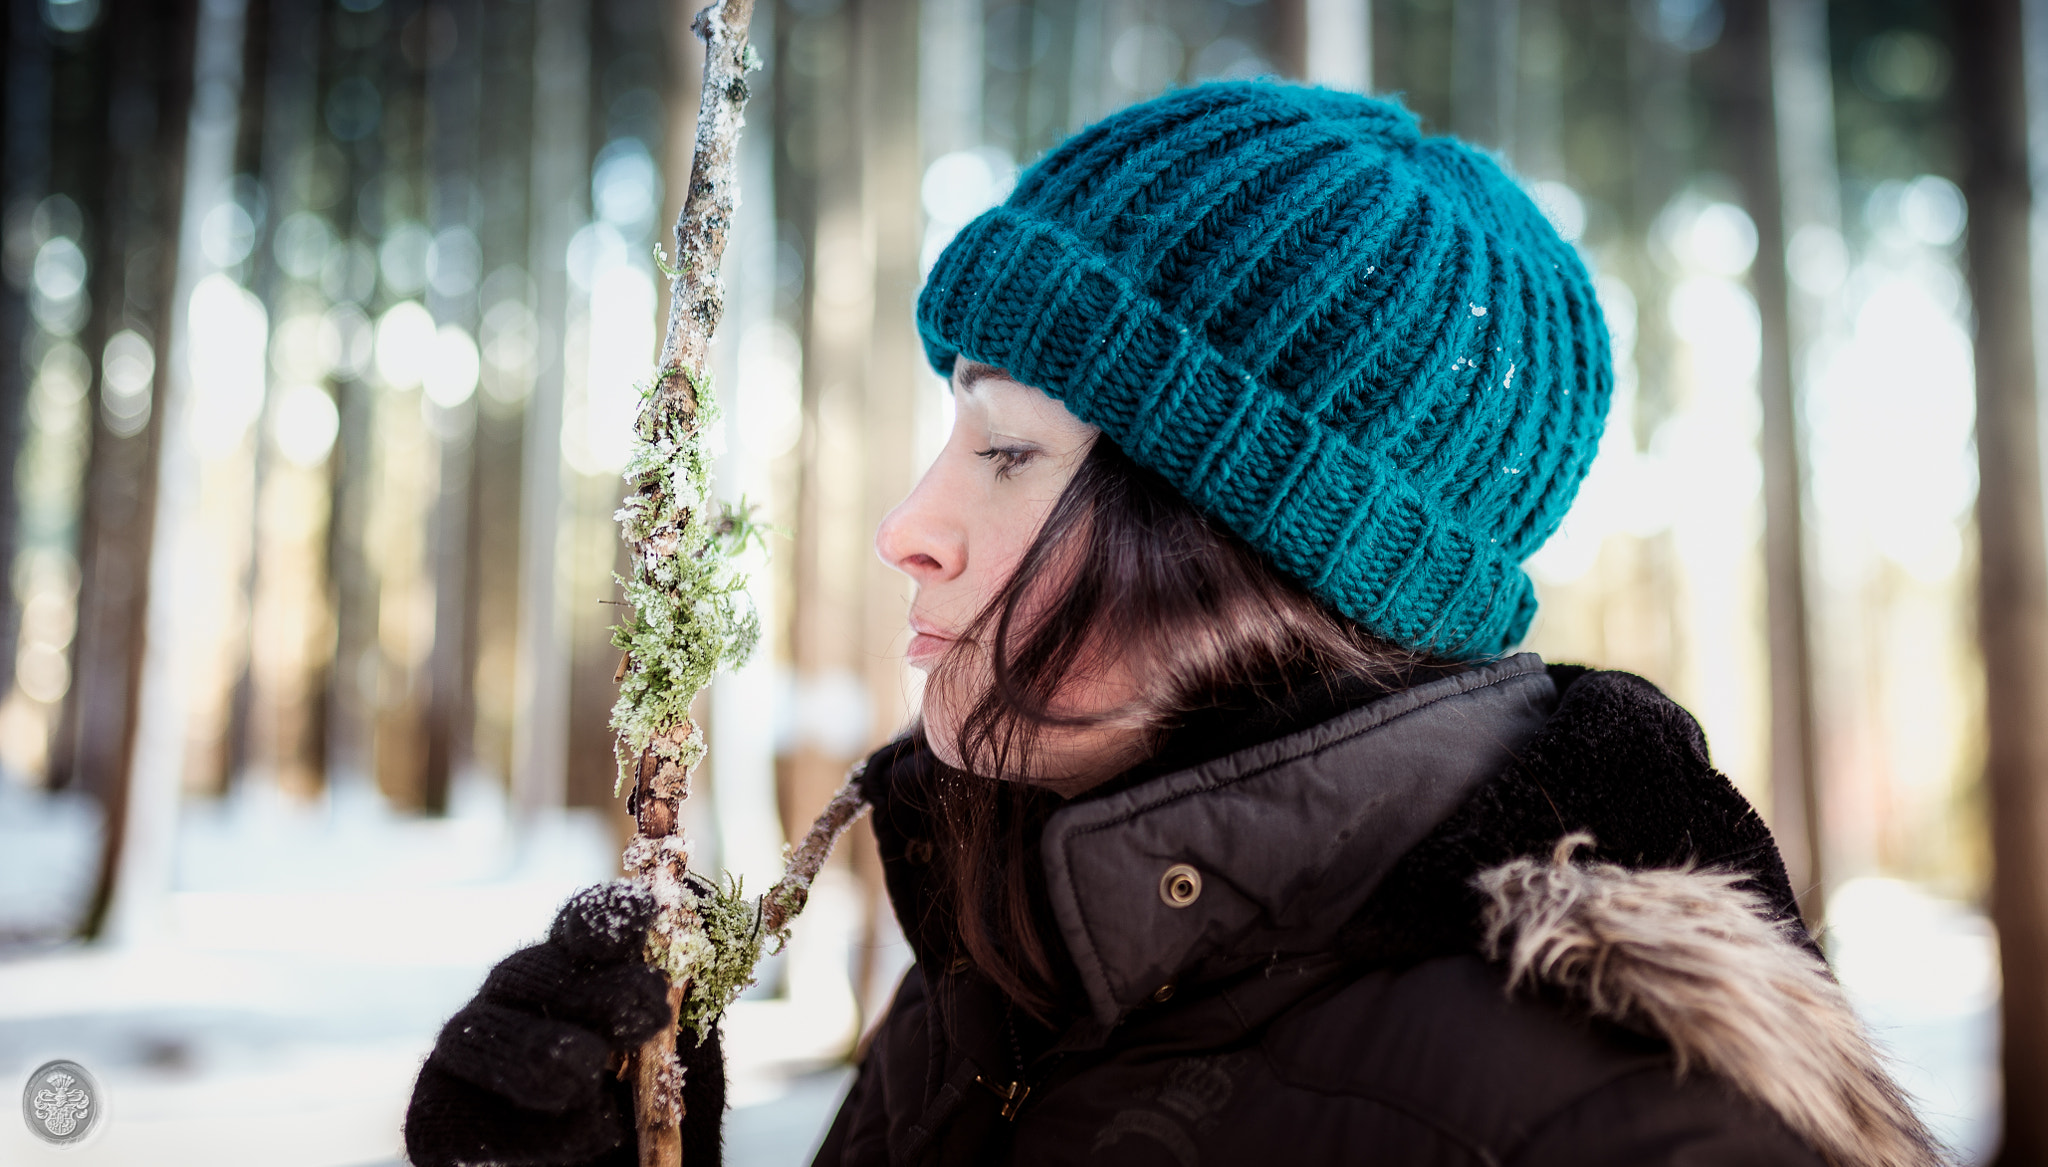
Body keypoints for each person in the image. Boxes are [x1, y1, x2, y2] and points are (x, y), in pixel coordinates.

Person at [404, 82, 1940, 1167]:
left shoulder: (1620, 1124)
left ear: (1252, 543)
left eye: (1008, 453)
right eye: (956, 435)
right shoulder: (1015, 959)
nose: (908, 528)